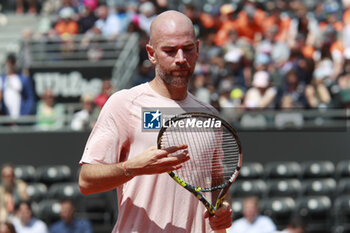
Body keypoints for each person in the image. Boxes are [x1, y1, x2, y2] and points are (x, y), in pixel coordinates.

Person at [78, 10, 233, 233]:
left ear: (198, 49)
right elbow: (86, 181)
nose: (181, 59)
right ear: (151, 53)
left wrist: (222, 208)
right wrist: (134, 167)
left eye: (188, 49)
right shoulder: (124, 104)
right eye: (169, 50)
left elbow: (218, 182)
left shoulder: (210, 115)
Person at [0, 53, 36, 119]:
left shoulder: (23, 78)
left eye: (13, 62)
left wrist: (25, 114)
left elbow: (30, 98)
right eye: (9, 62)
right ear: (6, 62)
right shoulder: (1, 78)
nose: (10, 64)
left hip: (20, 118)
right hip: (5, 118)